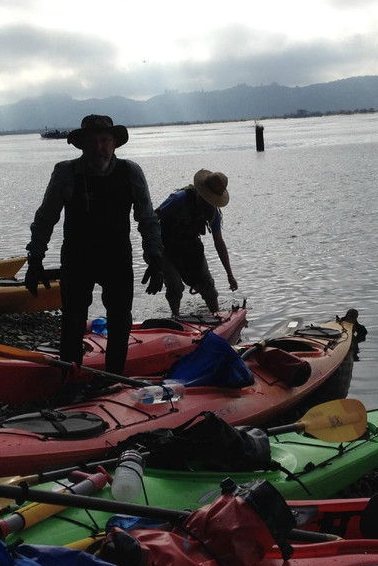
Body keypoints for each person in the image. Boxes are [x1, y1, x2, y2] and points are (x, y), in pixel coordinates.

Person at [24, 114, 164, 375]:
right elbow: (45, 219)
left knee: (121, 320)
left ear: (114, 144)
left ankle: (113, 379)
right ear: (82, 146)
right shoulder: (66, 173)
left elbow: (147, 218)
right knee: (73, 319)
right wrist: (35, 260)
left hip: (117, 256)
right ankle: (69, 377)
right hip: (78, 257)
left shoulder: (131, 172)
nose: (98, 148)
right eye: (92, 142)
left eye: (104, 141)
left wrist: (155, 259)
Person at [156, 169, 238, 316]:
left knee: (209, 288)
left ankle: (215, 317)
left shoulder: (213, 213)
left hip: (190, 248)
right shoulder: (178, 199)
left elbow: (219, 242)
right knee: (175, 286)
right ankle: (176, 316)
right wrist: (153, 253)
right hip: (166, 247)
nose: (209, 203)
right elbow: (153, 218)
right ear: (200, 192)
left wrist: (230, 275)